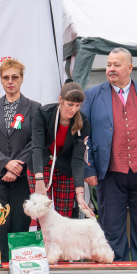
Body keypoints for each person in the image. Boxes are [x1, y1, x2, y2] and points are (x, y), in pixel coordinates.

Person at [82, 47, 137, 264]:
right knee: (111, 226)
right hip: (109, 172)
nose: (111, 69)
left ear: (129, 68)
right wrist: (89, 169)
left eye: (116, 65)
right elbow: (83, 137)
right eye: (109, 65)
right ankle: (116, 269)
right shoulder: (92, 95)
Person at [0, 59, 39, 262]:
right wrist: (5, 163)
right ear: (1, 81)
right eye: (6, 77)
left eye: (15, 77)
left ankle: (21, 269)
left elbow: (35, 142)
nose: (10, 81)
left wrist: (16, 167)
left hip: (22, 176)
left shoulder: (34, 107)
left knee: (20, 221)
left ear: (22, 79)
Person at [31, 82, 93, 218]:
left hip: (65, 166)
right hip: (41, 165)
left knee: (64, 216)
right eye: (70, 104)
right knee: (41, 214)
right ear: (61, 100)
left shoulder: (83, 121)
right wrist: (39, 180)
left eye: (77, 105)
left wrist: (80, 195)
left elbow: (77, 159)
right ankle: (43, 239)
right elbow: (37, 147)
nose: (73, 109)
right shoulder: (43, 113)